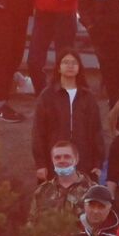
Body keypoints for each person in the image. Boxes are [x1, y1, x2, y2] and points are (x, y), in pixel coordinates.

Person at [32, 52, 105, 182]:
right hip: (55, 157)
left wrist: (97, 163)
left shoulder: (87, 97)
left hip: (84, 157)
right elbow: (38, 131)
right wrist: (40, 164)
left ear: (79, 68)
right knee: (54, 199)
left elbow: (96, 131)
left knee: (83, 199)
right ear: (59, 68)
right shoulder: (47, 96)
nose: (70, 66)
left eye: (74, 63)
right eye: (66, 62)